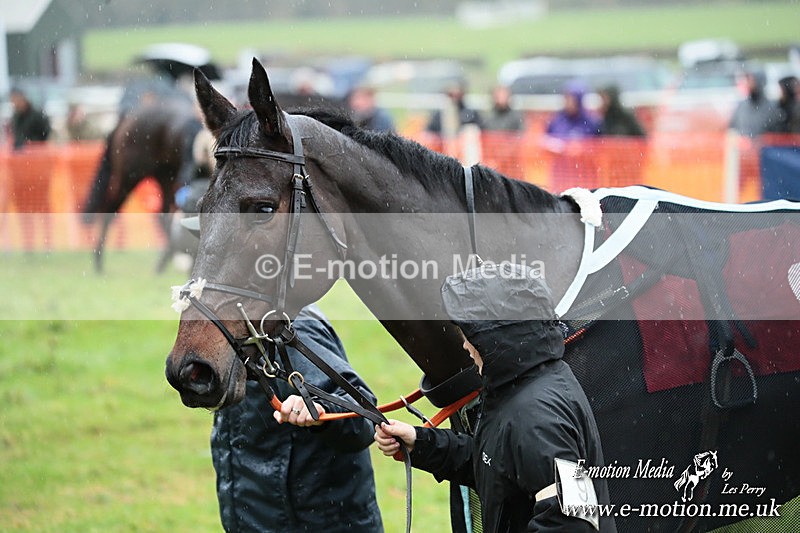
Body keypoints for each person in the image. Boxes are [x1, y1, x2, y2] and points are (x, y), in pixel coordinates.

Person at [374, 262, 615, 532]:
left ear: (496, 339)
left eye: (470, 336)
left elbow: (571, 524)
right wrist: (420, 443)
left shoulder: (537, 419)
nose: (465, 346)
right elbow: (496, 466)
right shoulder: (523, 385)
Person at [211, 304, 384, 533]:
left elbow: (363, 418)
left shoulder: (289, 329)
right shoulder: (232, 330)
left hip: (321, 524)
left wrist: (321, 409)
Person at [729, 69, 782, 137]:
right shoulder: (741, 106)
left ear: (760, 82)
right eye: (748, 80)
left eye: (752, 80)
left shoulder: (773, 107)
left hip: (765, 143)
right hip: (744, 143)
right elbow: (733, 129)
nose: (748, 83)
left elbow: (776, 133)